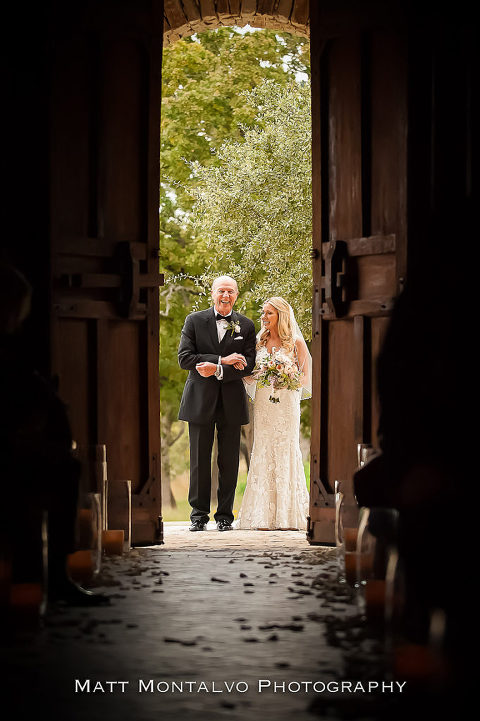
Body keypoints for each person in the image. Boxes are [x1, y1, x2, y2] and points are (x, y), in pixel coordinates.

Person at [0, 262, 109, 605]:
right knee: (60, 471)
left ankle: (52, 575)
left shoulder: (13, 349)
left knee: (64, 467)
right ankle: (48, 577)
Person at [178, 275, 256, 531]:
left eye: (230, 291)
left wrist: (218, 370)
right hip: (199, 400)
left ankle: (225, 516)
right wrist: (221, 361)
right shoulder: (194, 321)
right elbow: (185, 358)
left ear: (237, 294)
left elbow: (249, 363)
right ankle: (198, 516)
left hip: (232, 401)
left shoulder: (245, 325)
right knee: (199, 460)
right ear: (212, 293)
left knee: (230, 461)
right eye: (221, 291)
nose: (226, 296)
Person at [236, 297, 311, 530]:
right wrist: (244, 373)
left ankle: (288, 515)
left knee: (287, 447)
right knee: (264, 447)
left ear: (281, 315)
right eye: (263, 313)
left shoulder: (296, 342)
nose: (264, 317)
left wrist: (287, 376)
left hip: (287, 402)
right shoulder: (258, 341)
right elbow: (250, 375)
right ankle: (262, 515)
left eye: (269, 313)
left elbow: (306, 377)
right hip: (264, 402)